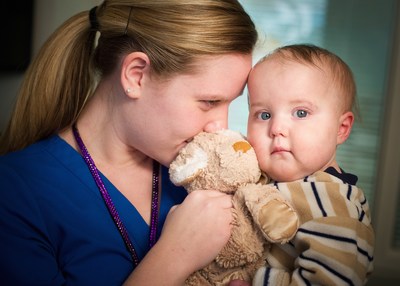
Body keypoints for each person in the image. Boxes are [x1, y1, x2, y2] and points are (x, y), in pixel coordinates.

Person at [0, 1, 258, 285]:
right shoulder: (15, 192)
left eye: (229, 104)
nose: (220, 126)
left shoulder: (205, 175)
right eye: (209, 101)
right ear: (136, 75)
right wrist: (177, 254)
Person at [246, 44, 375, 285]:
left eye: (301, 113)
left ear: (341, 129)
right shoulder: (261, 177)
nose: (276, 129)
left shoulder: (334, 203)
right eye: (264, 115)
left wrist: (252, 281)